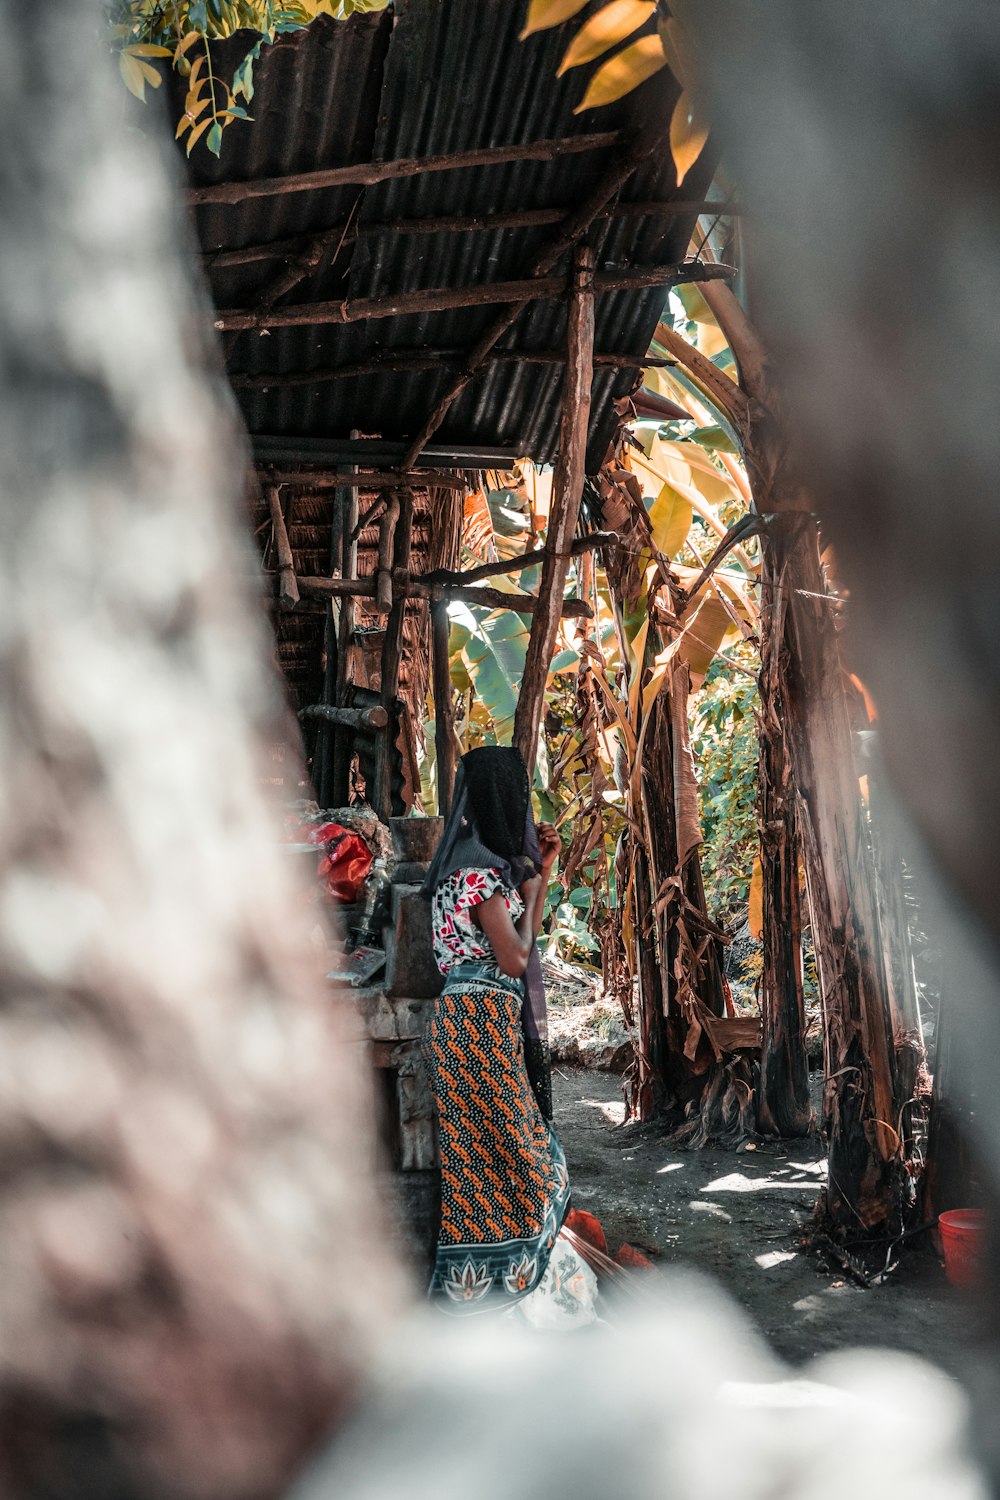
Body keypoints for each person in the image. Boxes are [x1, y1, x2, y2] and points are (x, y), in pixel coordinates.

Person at [421, 746, 590, 1317]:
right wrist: (535, 884)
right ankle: (506, 1294)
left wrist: (535, 874)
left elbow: (512, 944)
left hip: (463, 1021)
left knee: (478, 1165)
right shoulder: (480, 876)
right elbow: (517, 958)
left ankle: (479, 1293)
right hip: (479, 1025)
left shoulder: (455, 869)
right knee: (518, 1152)